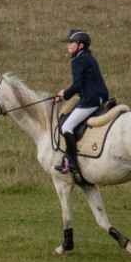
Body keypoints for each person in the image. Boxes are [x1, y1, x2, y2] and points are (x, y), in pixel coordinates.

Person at [53, 29, 108, 180]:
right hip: (100, 97)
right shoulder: (89, 58)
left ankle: (71, 162)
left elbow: (77, 85)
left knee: (66, 127)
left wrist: (64, 94)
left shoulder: (78, 60)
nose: (68, 45)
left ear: (81, 45)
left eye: (71, 43)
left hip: (91, 100)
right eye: (68, 43)